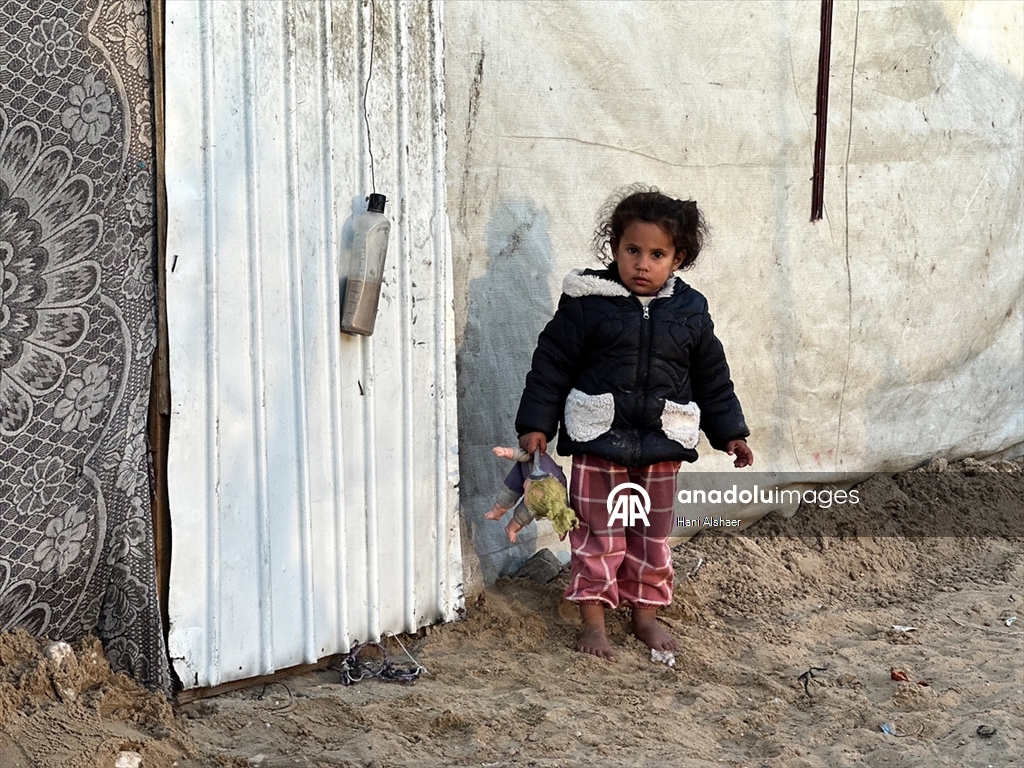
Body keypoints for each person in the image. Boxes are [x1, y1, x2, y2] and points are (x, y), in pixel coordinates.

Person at [513, 185, 753, 662]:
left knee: (651, 535)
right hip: (599, 441)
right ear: (614, 248)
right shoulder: (587, 302)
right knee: (597, 533)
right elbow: (552, 365)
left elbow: (712, 377)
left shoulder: (690, 311)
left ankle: (644, 616)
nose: (642, 264)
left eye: (657, 254)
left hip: (661, 444)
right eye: (632, 250)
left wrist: (731, 433)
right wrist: (537, 423)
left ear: (678, 258)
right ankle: (594, 622)